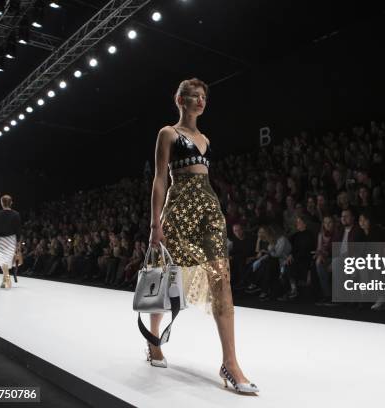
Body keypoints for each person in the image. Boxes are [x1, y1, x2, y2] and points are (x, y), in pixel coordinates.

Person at [148, 78, 258, 393]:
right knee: (166, 275)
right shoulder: (168, 133)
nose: (200, 100)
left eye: (203, 96)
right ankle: (154, 341)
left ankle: (230, 362)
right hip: (179, 208)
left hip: (209, 209)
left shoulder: (206, 139)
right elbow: (159, 179)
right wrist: (155, 223)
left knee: (221, 277)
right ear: (179, 99)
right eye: (194, 95)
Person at [0, 195, 22, 289]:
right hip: (11, 240)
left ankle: (7, 279)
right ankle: (5, 279)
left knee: (2, 260)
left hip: (0, 241)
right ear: (11, 203)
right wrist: (18, 242)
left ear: (1, 203)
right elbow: (18, 230)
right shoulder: (16, 214)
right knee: (6, 260)